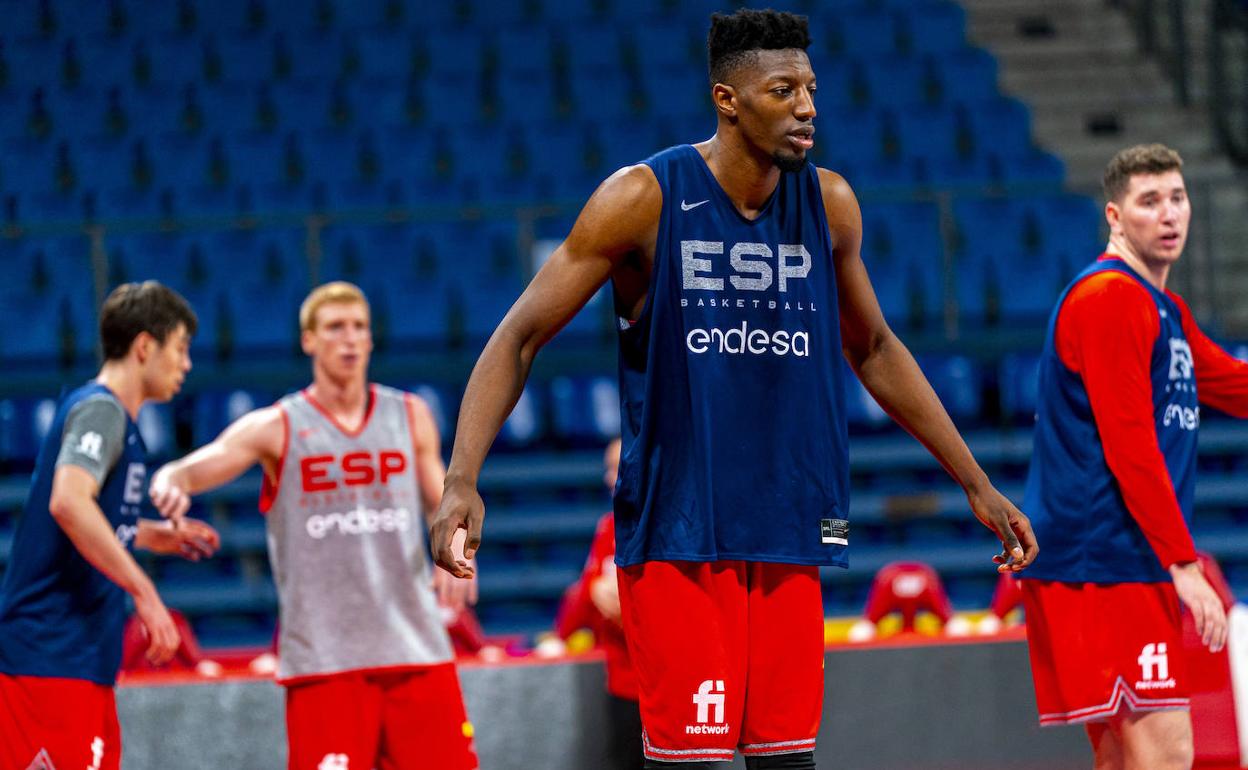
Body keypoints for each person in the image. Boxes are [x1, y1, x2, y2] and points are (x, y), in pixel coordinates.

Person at [430, 10, 1037, 769]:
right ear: (728, 99)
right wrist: (461, 476)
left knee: (787, 762)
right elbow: (517, 336)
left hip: (790, 521)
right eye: (783, 90)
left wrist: (976, 483)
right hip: (682, 530)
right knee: (690, 764)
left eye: (811, 88)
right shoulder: (642, 198)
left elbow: (875, 348)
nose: (807, 106)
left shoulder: (831, 203)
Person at [148, 281, 479, 770]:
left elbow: (446, 500)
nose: (348, 339)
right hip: (326, 662)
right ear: (308, 340)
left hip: (416, 650)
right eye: (334, 328)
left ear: (371, 339)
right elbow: (202, 463)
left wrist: (456, 547)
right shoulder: (278, 425)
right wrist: (171, 477)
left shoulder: (409, 416)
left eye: (359, 328)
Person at [1019, 143, 1248, 769]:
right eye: (1150, 201)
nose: (1169, 214)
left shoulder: (1162, 307)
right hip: (1102, 560)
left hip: (1107, 559)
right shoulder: (1111, 299)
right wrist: (1184, 562)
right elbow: (1130, 444)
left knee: (1125, 758)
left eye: (1177, 197)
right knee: (1167, 754)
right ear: (1116, 217)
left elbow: (1233, 384)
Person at [0, 281, 220, 770]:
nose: (186, 364)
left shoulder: (114, 418)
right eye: (180, 348)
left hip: (78, 664)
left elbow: (80, 518)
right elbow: (69, 503)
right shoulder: (101, 410)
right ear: (145, 347)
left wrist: (145, 534)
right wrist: (144, 591)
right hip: (47, 664)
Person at [555, 437, 642, 770]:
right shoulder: (608, 528)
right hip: (622, 686)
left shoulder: (676, 527)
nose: (609, 478)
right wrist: (592, 590)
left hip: (671, 688)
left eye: (617, 468)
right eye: (607, 468)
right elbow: (576, 612)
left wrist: (630, 604)